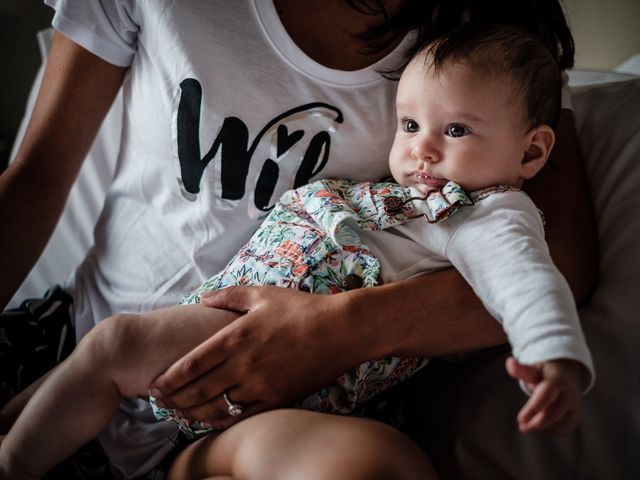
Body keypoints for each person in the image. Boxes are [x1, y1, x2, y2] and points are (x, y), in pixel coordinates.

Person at [0, 1, 597, 478]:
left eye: (456, 130)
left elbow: (536, 275)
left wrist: (555, 357)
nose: (421, 150)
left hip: (272, 386)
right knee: (104, 350)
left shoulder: (488, 190)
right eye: (407, 125)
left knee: (377, 466)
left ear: (532, 150)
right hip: (93, 345)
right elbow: (36, 177)